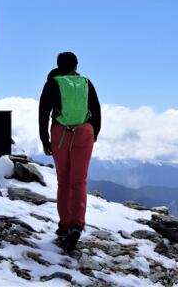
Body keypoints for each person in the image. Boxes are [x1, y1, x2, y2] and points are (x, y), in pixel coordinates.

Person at [39, 51, 101, 251]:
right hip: (85, 132)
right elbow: (96, 110)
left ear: (58, 64)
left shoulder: (52, 83)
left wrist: (45, 139)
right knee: (79, 181)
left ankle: (65, 226)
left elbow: (43, 112)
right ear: (76, 65)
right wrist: (93, 134)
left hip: (60, 134)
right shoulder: (85, 82)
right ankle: (77, 223)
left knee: (64, 181)